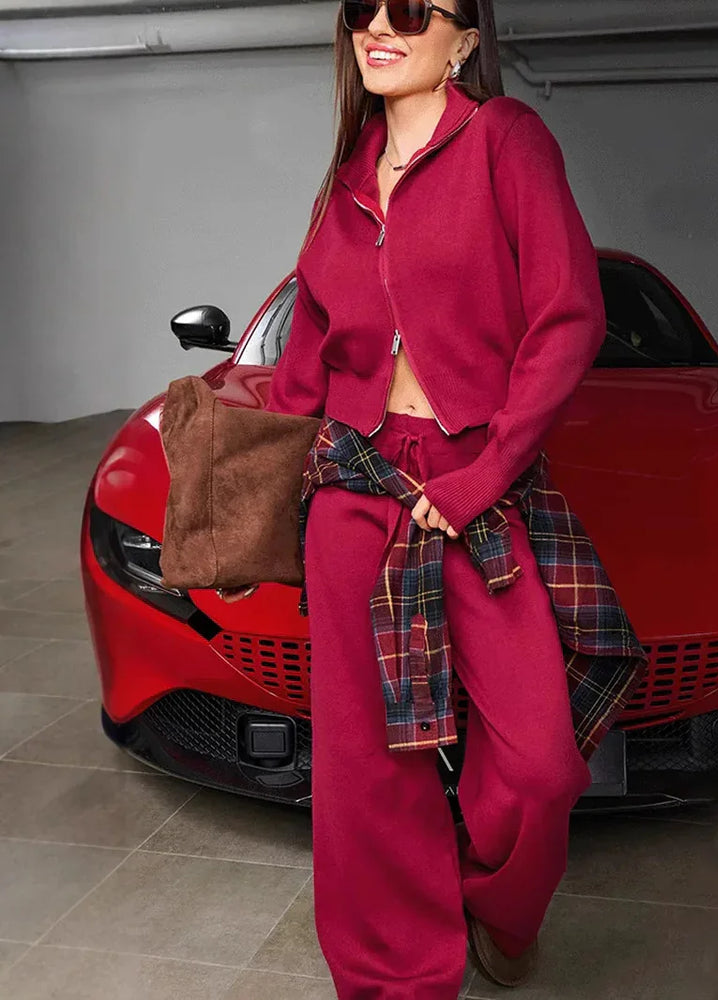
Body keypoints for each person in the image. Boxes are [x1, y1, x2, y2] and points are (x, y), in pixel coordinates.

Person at [222, 1, 637, 996]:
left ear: (464, 39)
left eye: (413, 10)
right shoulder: (345, 180)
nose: (382, 23)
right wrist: (251, 519)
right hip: (353, 486)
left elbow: (569, 318)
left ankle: (498, 905)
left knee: (539, 764)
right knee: (369, 772)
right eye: (364, 7)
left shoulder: (506, 142)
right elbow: (306, 369)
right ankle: (394, 979)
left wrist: (484, 475)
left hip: (474, 483)